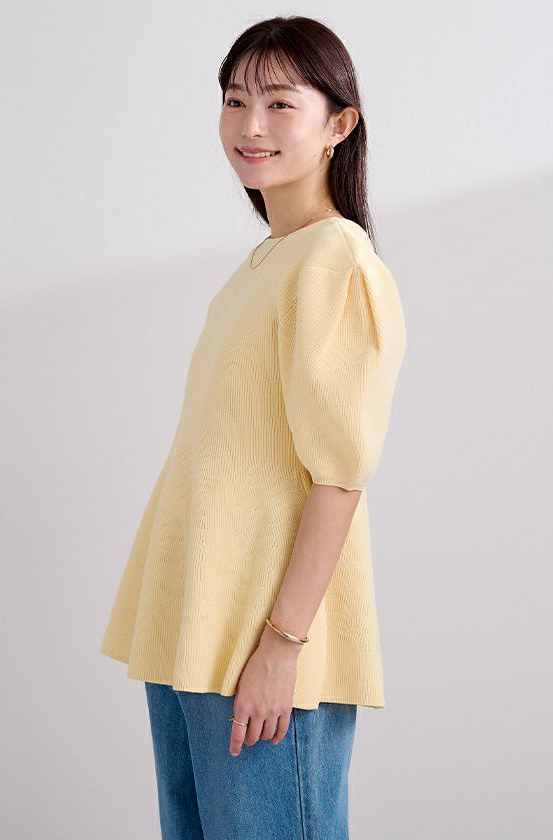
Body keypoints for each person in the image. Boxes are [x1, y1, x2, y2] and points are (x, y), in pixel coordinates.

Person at [100, 15, 407, 840]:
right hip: (196, 629)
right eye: (235, 101)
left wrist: (283, 644)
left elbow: (339, 475)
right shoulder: (265, 264)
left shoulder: (335, 260)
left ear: (339, 124)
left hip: (262, 646)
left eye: (280, 103)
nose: (251, 124)